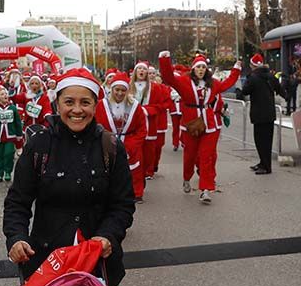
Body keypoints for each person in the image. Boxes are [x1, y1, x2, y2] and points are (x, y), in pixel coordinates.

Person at [3, 68, 136, 286]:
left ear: (95, 105)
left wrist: (108, 236)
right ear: (57, 104)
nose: (77, 110)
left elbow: (122, 204)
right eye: (69, 102)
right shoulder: (39, 146)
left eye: (85, 102)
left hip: (98, 265)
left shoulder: (110, 146)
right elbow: (18, 202)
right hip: (49, 265)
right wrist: (16, 238)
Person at [158, 52, 241, 204]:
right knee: (190, 156)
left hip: (210, 124)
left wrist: (236, 69)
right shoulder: (184, 81)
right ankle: (187, 178)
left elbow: (227, 83)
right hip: (191, 124)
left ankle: (205, 189)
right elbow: (168, 78)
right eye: (198, 67)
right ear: (193, 69)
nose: (201, 70)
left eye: (203, 67)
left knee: (206, 156)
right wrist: (164, 60)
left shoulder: (213, 83)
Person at [95, 72, 148, 202]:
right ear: (111, 89)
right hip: (107, 140)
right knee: (107, 168)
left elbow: (142, 128)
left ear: (127, 91)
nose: (119, 93)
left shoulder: (135, 106)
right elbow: (95, 124)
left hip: (130, 140)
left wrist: (133, 143)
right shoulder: (101, 105)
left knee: (134, 169)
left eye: (123, 90)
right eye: (117, 90)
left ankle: (136, 192)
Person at [238, 53, 284, 174]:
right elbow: (280, 89)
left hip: (258, 114)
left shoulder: (252, 78)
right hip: (269, 113)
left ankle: (266, 166)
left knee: (260, 140)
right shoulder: (270, 76)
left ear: (252, 65)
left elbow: (245, 91)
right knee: (267, 140)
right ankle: (263, 162)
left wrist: (247, 79)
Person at [0, 88, 24, 183]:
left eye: (6, 94)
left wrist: (19, 134)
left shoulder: (13, 108)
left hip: (10, 136)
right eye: (2, 94)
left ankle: (7, 172)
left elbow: (17, 122)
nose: (5, 95)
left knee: (9, 154)